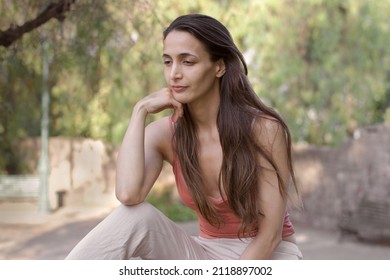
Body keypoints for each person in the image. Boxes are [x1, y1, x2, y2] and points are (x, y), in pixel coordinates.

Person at [65, 13, 303, 260]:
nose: (174, 74)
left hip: (271, 255)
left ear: (219, 67)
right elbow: (128, 194)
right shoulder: (164, 133)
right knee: (135, 216)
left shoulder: (263, 129)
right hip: (206, 251)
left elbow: (270, 236)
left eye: (188, 62)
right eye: (168, 62)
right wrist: (140, 111)